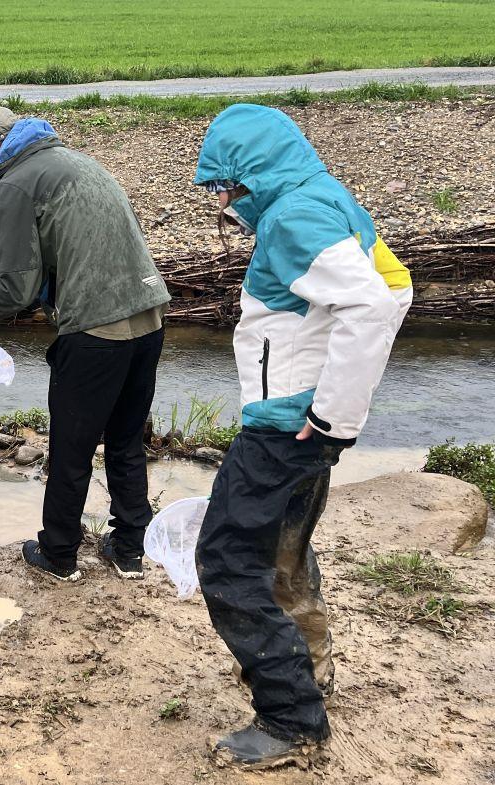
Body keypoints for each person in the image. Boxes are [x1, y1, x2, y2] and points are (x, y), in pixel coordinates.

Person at [192, 104, 412, 770]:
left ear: (252, 173)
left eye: (224, 183)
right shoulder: (324, 198)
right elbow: (396, 282)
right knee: (283, 550)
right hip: (305, 423)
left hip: (284, 427)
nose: (221, 199)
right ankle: (310, 668)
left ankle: (291, 718)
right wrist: (332, 413)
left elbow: (372, 304)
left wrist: (331, 411)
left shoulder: (291, 216)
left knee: (227, 558)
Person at [0, 106, 171, 583]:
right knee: (126, 439)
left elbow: (17, 291)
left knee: (72, 446)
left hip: (95, 331)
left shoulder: (15, 183)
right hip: (150, 318)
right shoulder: (77, 161)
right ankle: (130, 549)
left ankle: (60, 555)